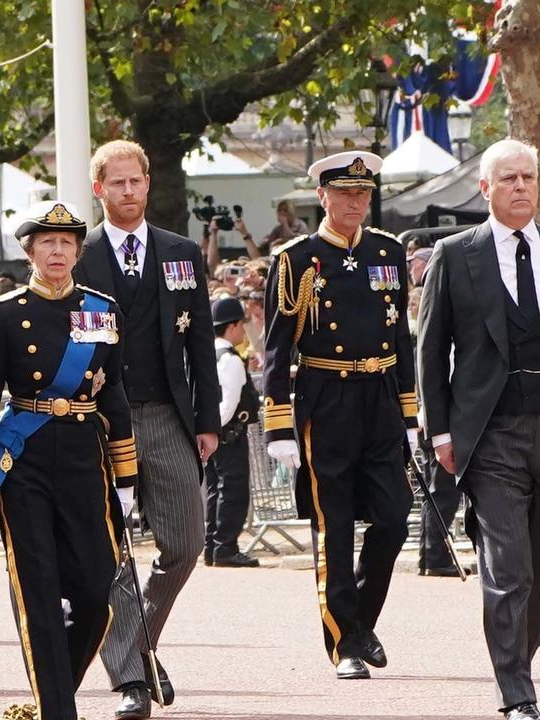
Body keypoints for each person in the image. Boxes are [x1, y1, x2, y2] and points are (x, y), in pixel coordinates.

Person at [418, 139, 540, 720]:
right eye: (509, 179)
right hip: (489, 431)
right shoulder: (454, 254)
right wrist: (441, 432)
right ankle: (516, 692)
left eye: (529, 176)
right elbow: (430, 350)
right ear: (486, 189)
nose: (521, 186)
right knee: (509, 566)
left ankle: (513, 654)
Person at [0, 200, 136, 720]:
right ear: (29, 251)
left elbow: (116, 392)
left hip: (84, 455)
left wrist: (126, 473)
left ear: (78, 251)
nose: (57, 251)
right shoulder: (7, 312)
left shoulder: (101, 310)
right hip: (25, 461)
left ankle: (52, 688)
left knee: (95, 587)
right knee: (37, 588)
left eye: (66, 243)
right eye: (46, 243)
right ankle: (58, 709)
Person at [72, 139, 220, 720]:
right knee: (112, 551)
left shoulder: (180, 252)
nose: (128, 192)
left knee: (185, 543)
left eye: (136, 182)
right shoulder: (75, 255)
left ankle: (138, 639)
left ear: (148, 184)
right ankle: (131, 678)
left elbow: (201, 345)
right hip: (98, 420)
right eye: (117, 183)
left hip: (165, 415)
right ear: (98, 189)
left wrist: (208, 422)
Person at [261, 150, 418, 680]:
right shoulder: (297, 260)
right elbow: (277, 349)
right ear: (322, 197)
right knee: (336, 526)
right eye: (344, 193)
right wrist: (279, 423)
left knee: (394, 518)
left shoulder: (388, 252)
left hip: (379, 397)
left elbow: (402, 338)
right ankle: (344, 643)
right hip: (325, 397)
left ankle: (360, 620)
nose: (355, 202)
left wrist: (411, 414)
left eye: (363, 193)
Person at [204, 296, 260, 568]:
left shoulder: (208, 355)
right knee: (233, 490)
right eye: (241, 325)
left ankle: (212, 546)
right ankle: (225, 547)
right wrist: (217, 428)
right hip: (229, 435)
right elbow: (228, 403)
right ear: (232, 326)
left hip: (212, 435)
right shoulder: (230, 359)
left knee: (216, 489)